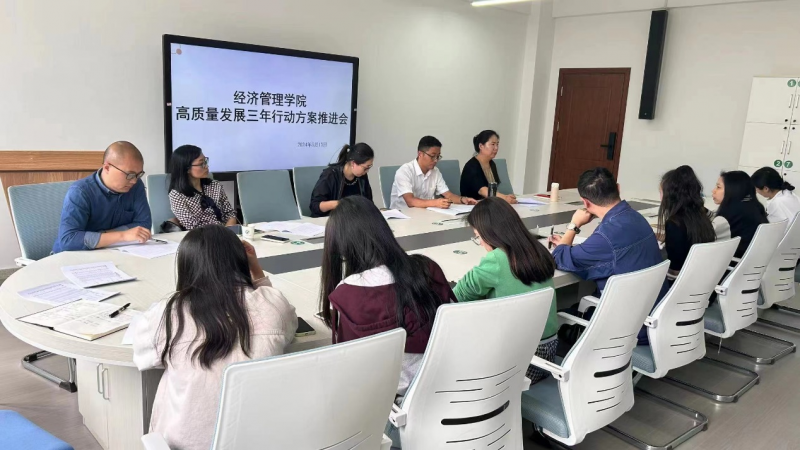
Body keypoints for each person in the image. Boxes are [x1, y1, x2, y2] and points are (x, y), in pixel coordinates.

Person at [132, 225, 297, 450]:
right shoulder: (273, 304)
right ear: (241, 261)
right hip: (258, 441)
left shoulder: (169, 313)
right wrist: (256, 271)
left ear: (186, 266)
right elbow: (289, 327)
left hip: (187, 444)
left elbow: (142, 358)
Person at [318, 196, 456, 398]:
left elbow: (349, 367)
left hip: (389, 405)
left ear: (340, 246)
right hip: (447, 388)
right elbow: (453, 324)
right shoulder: (427, 269)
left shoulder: (347, 293)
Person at [549, 168, 667, 345]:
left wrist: (574, 225)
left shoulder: (605, 236)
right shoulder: (636, 218)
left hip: (625, 327)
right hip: (651, 316)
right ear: (618, 188)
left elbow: (559, 258)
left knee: (556, 315)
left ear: (585, 203)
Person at [454, 197, 558, 384]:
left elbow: (457, 297)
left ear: (489, 233)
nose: (481, 243)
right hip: (548, 356)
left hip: (518, 364)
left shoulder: (497, 259)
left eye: (478, 236)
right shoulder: (537, 249)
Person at [53, 141, 152, 253]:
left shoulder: (136, 186)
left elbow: (144, 226)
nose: (134, 181)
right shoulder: (80, 192)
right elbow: (68, 240)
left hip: (111, 251)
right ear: (107, 167)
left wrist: (100, 236)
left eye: (138, 175)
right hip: (71, 256)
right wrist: (122, 235)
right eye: (130, 174)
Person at [389, 136, 477, 209]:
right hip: (403, 216)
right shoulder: (404, 171)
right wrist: (436, 202)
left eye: (438, 156)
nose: (435, 160)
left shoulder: (435, 171)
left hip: (425, 214)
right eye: (432, 156)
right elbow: (410, 201)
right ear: (420, 154)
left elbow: (448, 195)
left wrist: (463, 200)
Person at [658, 166, 716, 276]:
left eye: (661, 192)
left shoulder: (674, 224)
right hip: (701, 277)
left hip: (679, 281)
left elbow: (675, 269)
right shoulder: (702, 217)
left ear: (669, 195)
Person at [168, 145, 237, 230]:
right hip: (200, 236)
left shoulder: (215, 185)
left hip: (225, 232)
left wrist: (227, 233)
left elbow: (230, 214)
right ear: (187, 169)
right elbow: (192, 227)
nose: (206, 166)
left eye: (205, 161)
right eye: (201, 164)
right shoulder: (177, 195)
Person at [712, 170, 769, 258]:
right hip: (751, 259)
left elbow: (707, 238)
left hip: (732, 262)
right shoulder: (754, 206)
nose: (713, 191)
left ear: (733, 189)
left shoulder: (729, 214)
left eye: (718, 187)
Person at [309, 143, 374, 217]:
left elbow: (369, 202)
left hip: (353, 219)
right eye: (365, 168)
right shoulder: (330, 175)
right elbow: (315, 206)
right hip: (331, 219)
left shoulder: (362, 177)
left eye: (369, 167)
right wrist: (339, 204)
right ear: (353, 163)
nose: (367, 171)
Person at [459, 130, 517, 204]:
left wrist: (506, 197)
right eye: (493, 144)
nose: (496, 148)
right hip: (474, 205)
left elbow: (494, 189)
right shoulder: (471, 166)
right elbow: (483, 191)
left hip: (489, 204)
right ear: (481, 146)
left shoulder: (492, 164)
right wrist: (504, 198)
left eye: (497, 144)